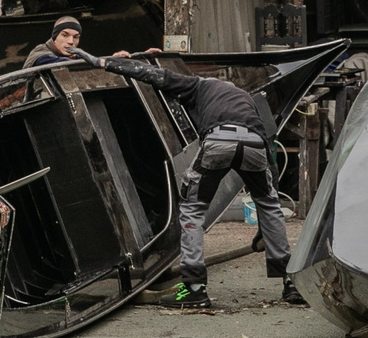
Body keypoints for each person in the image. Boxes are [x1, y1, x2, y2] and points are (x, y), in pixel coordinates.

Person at [87, 47, 298, 309]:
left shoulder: (198, 85)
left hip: (219, 140)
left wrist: (103, 61)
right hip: (255, 143)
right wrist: (262, 229)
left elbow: (153, 75)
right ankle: (291, 284)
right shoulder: (245, 98)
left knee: (193, 211)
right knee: (270, 205)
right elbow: (268, 149)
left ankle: (194, 290)